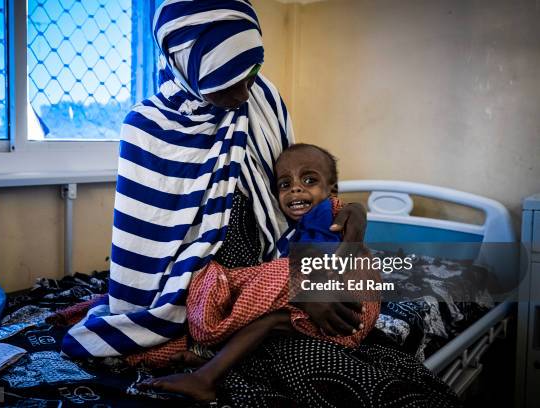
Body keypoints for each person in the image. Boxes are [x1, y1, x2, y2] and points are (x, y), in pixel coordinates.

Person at [62, 1, 460, 406]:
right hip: (198, 297)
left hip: (273, 271)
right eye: (226, 81)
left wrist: (355, 217)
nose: (243, 93)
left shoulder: (263, 100)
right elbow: (141, 259)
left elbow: (296, 205)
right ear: (185, 66)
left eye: (250, 74)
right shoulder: (146, 130)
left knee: (384, 360)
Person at [137, 143, 380, 401]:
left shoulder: (325, 213)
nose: (296, 188)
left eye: (309, 179)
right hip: (347, 322)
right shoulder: (292, 229)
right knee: (271, 322)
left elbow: (315, 260)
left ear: (332, 190)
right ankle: (209, 368)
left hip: (347, 305)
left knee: (242, 285)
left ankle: (207, 357)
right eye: (285, 185)